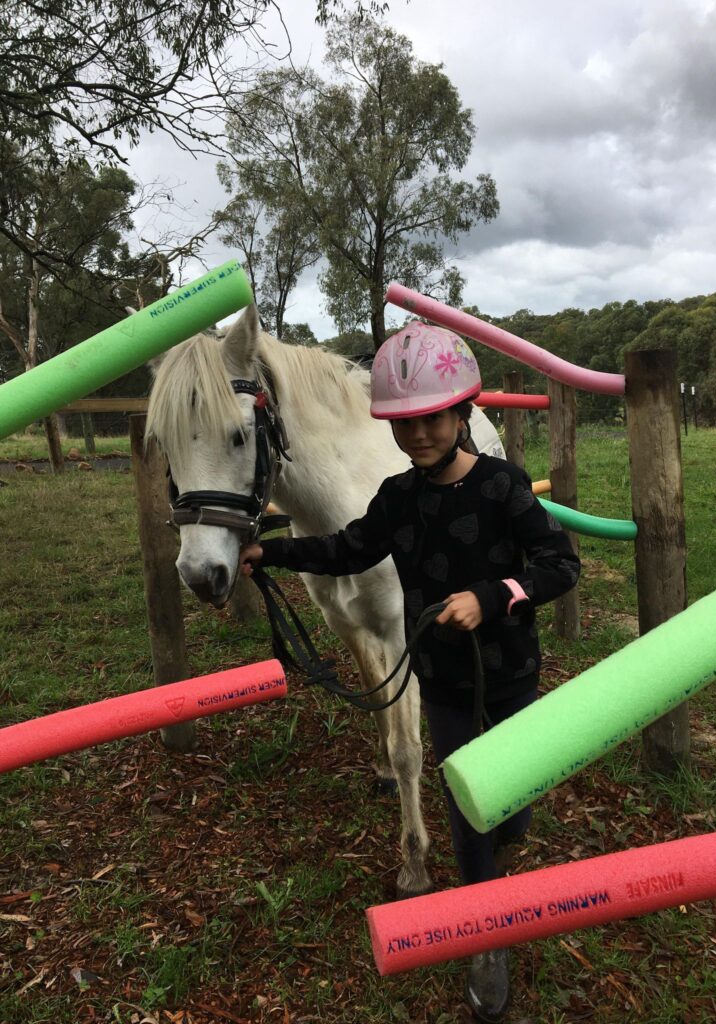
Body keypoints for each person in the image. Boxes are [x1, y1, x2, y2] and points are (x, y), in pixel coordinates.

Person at [239, 322, 580, 1023]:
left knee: (511, 808)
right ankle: (488, 935)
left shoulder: (505, 488)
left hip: (510, 675)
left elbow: (559, 566)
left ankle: (505, 837)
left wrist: (494, 599)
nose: (419, 434)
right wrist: (271, 558)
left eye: (432, 418)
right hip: (445, 684)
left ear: (461, 415)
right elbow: (346, 549)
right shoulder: (397, 497)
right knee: (468, 806)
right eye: (404, 423)